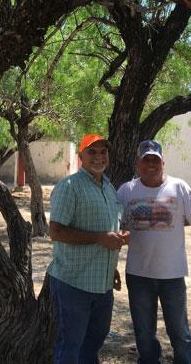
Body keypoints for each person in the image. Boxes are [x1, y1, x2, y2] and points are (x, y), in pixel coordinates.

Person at [117, 139, 191, 364]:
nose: (151, 164)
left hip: (172, 276)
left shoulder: (179, 188)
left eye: (155, 160)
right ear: (138, 164)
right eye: (146, 160)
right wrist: (112, 266)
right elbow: (116, 229)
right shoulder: (126, 191)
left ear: (163, 163)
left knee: (180, 332)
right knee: (143, 334)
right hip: (138, 275)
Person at [47, 133, 129, 364]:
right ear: (81, 155)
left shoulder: (109, 188)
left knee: (93, 344)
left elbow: (107, 232)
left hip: (102, 285)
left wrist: (113, 259)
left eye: (103, 152)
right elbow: (56, 232)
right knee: (70, 347)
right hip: (73, 282)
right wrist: (100, 239)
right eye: (92, 152)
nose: (99, 157)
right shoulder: (69, 186)